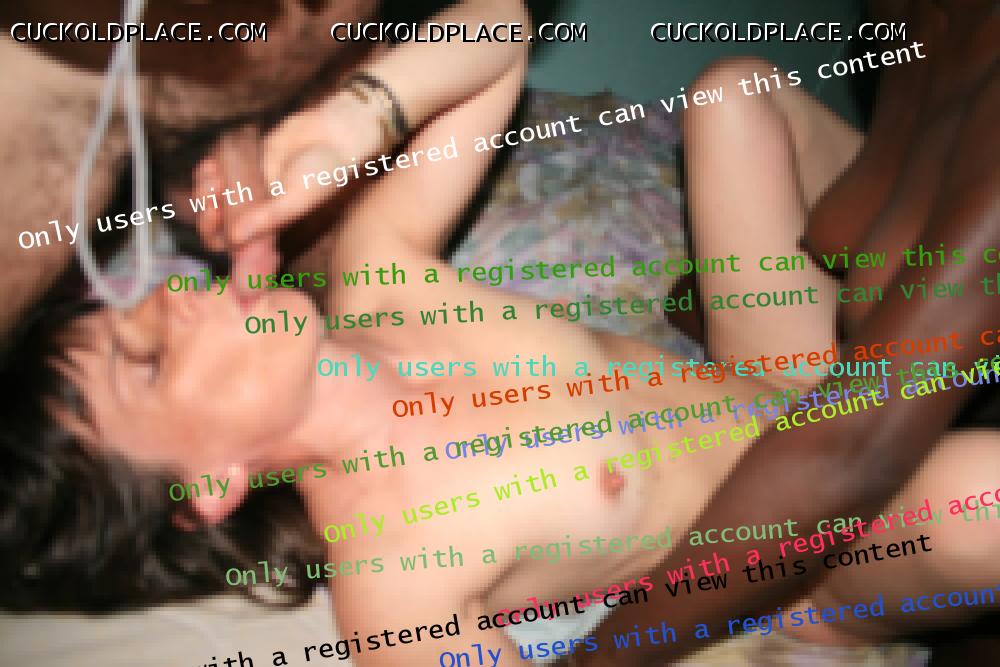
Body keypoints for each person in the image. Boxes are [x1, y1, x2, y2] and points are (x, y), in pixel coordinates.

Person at [3, 42, 999, 665]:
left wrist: (353, 120)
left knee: (732, 97)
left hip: (779, 378)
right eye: (146, 362)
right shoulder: (396, 577)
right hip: (809, 550)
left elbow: (497, 31)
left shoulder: (379, 277)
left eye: (136, 305)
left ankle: (928, 310)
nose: (171, 297)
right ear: (210, 485)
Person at [569, 0, 1000, 662]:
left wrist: (592, 659)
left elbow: (851, 451)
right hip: (840, 391)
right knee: (733, 95)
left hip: (907, 448)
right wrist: (721, 296)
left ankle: (819, 603)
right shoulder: (909, 19)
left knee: (987, 497)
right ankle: (776, 469)